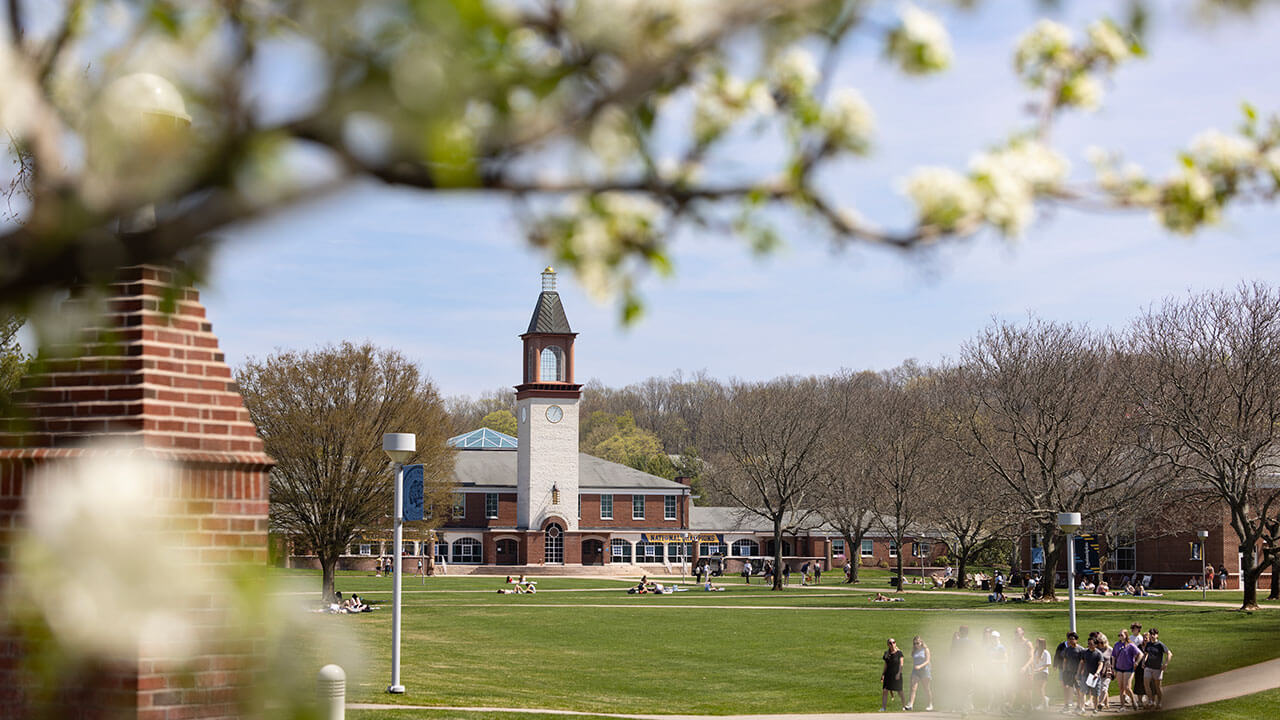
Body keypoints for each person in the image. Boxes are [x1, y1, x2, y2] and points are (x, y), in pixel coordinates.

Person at [1142, 628, 1171, 709]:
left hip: (1157, 668)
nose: (1152, 636)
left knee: (1157, 686)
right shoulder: (1148, 644)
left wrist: (1165, 664)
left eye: (1154, 634)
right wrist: (1143, 661)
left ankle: (1160, 702)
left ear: (1157, 635)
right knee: (1146, 684)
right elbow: (1145, 653)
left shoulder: (1160, 645)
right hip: (1148, 667)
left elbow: (1169, 653)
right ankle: (1151, 700)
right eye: (1151, 634)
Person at [1113, 629, 1142, 710]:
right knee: (1121, 688)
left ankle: (1133, 701)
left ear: (1126, 635)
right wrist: (1113, 667)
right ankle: (1122, 706)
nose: (1120, 637)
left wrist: (1136, 663)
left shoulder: (1131, 645)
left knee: (1127, 687)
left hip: (1128, 668)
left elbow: (1140, 654)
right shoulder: (1117, 645)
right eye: (1119, 635)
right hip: (1119, 668)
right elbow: (1114, 656)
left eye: (1121, 635)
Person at [1055, 631, 1084, 713]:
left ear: (1076, 640)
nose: (1071, 641)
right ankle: (1066, 706)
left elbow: (1083, 662)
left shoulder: (1081, 650)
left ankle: (1079, 707)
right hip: (1068, 673)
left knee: (1079, 690)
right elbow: (1065, 660)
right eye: (1069, 639)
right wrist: (1064, 671)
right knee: (1067, 689)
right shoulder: (1067, 650)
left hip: (1077, 673)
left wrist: (1080, 673)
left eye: (1072, 639)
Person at [1077, 635, 1105, 715]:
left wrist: (1097, 673)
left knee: (1095, 694)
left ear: (1095, 645)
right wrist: (1078, 672)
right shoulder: (1085, 652)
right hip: (1085, 675)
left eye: (1091, 644)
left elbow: (1100, 664)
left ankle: (1095, 708)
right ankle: (1082, 708)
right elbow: (1081, 663)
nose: (1089, 645)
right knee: (1082, 692)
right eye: (1088, 643)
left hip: (1094, 677)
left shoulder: (1098, 654)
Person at [907, 636, 933, 712]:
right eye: (914, 644)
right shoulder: (914, 651)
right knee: (913, 688)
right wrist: (916, 667)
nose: (916, 645)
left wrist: (920, 666)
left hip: (924, 670)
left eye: (917, 643)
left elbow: (927, 661)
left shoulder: (925, 650)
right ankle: (910, 705)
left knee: (926, 688)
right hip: (916, 671)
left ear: (921, 642)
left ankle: (930, 704)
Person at [881, 638, 906, 712]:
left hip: (896, 674)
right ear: (888, 645)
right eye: (890, 643)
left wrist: (899, 673)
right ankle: (883, 708)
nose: (892, 644)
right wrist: (883, 674)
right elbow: (885, 665)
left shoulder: (899, 653)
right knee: (885, 690)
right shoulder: (886, 653)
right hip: (888, 674)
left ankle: (904, 706)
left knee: (899, 691)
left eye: (894, 642)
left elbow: (901, 664)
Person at [1032, 637, 1052, 710]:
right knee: (1037, 688)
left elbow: (1048, 664)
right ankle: (1045, 699)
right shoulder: (1035, 652)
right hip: (1036, 672)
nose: (1036, 644)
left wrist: (1039, 669)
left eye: (1037, 642)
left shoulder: (1046, 653)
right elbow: (1033, 661)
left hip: (1043, 673)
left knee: (1041, 688)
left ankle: (1043, 703)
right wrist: (1034, 668)